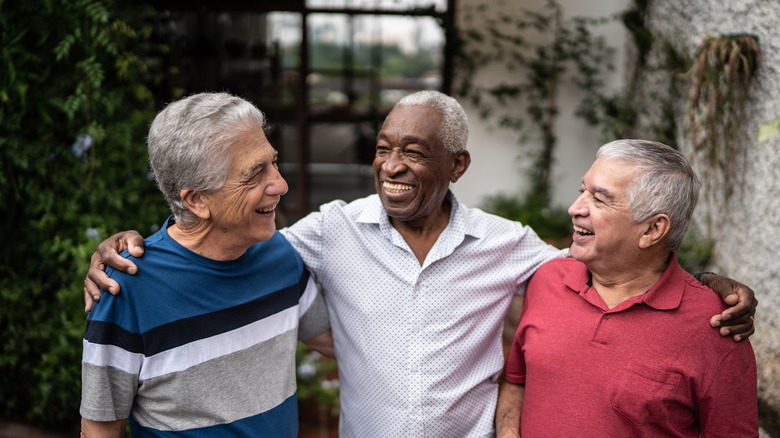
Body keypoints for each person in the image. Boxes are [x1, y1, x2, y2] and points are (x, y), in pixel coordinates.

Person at [84, 92, 757, 437]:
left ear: (456, 166)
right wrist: (129, 242)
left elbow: (608, 258)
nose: (393, 166)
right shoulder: (323, 235)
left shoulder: (510, 246)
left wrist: (705, 284)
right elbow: (209, 246)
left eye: (415, 151)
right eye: (383, 148)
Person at [80, 92, 332, 437]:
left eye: (273, 163)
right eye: (255, 173)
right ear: (197, 200)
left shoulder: (279, 255)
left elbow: (339, 342)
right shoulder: (126, 288)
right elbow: (99, 431)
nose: (280, 184)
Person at [496, 139, 758, 437]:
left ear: (652, 230)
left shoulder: (717, 327)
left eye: (599, 199)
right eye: (582, 191)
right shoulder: (547, 279)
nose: (574, 208)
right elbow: (517, 379)